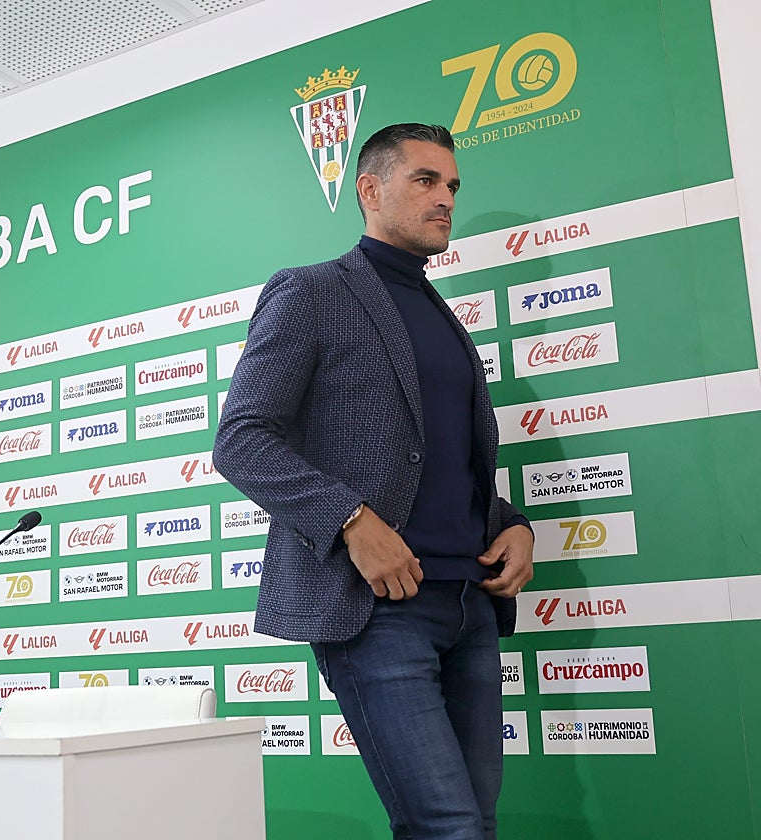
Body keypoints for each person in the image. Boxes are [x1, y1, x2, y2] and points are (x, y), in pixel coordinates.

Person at [213, 123, 534, 839]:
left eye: (452, 185)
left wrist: (513, 524)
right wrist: (352, 520)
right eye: (425, 180)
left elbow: (440, 463)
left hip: (470, 604)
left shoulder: (442, 317)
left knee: (475, 825)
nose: (445, 197)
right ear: (370, 189)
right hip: (378, 611)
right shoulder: (311, 292)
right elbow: (241, 440)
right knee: (450, 828)